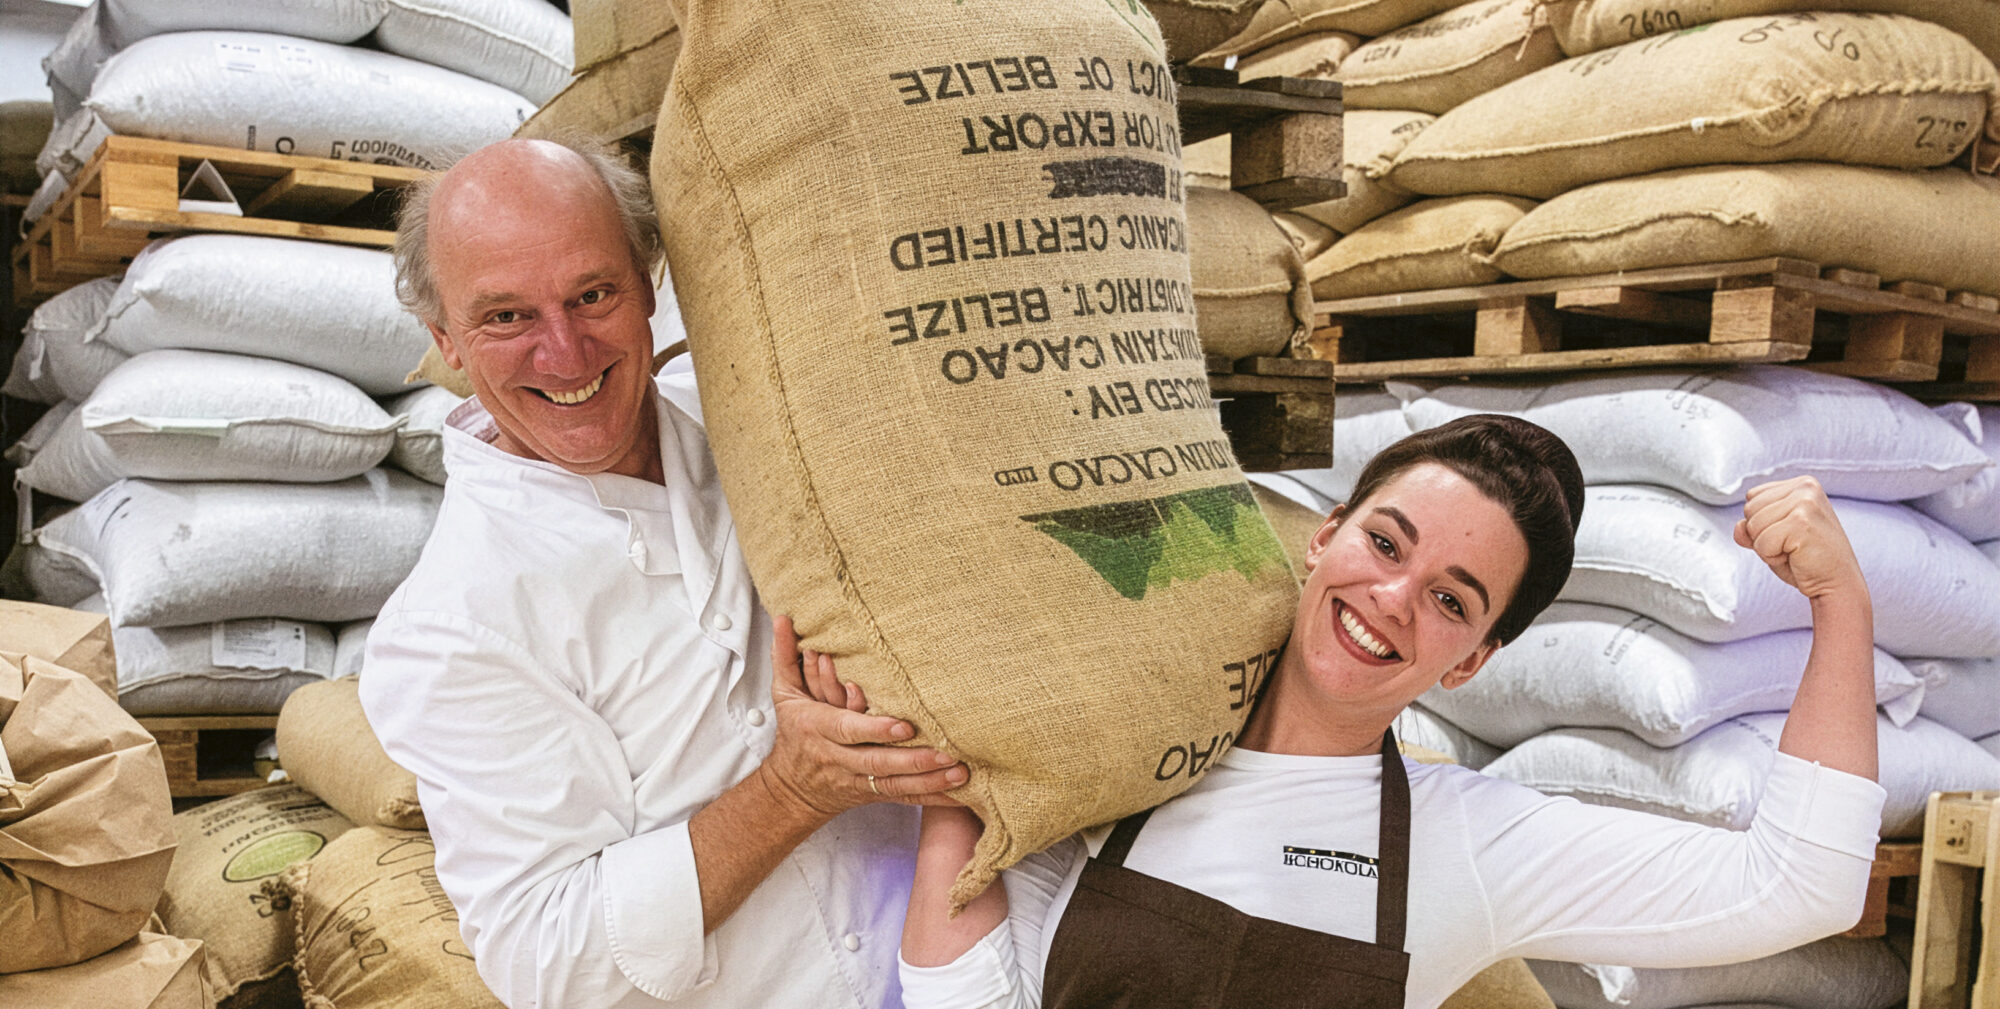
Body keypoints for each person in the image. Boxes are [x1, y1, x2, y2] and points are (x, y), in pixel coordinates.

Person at [889, 415, 1886, 1009]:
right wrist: (953, 790)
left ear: (1472, 660)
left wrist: (1839, 605)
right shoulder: (1126, 755)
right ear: (1323, 536)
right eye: (1385, 542)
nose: (1393, 598)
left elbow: (1799, 884)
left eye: (1451, 599)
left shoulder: (1471, 845)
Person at [358, 136, 966, 1009]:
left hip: (979, 970)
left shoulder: (762, 425)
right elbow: (547, 953)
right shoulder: (454, 624)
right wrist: (793, 790)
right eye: (507, 318)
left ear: (650, 286)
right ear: (445, 340)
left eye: (592, 294)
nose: (564, 354)